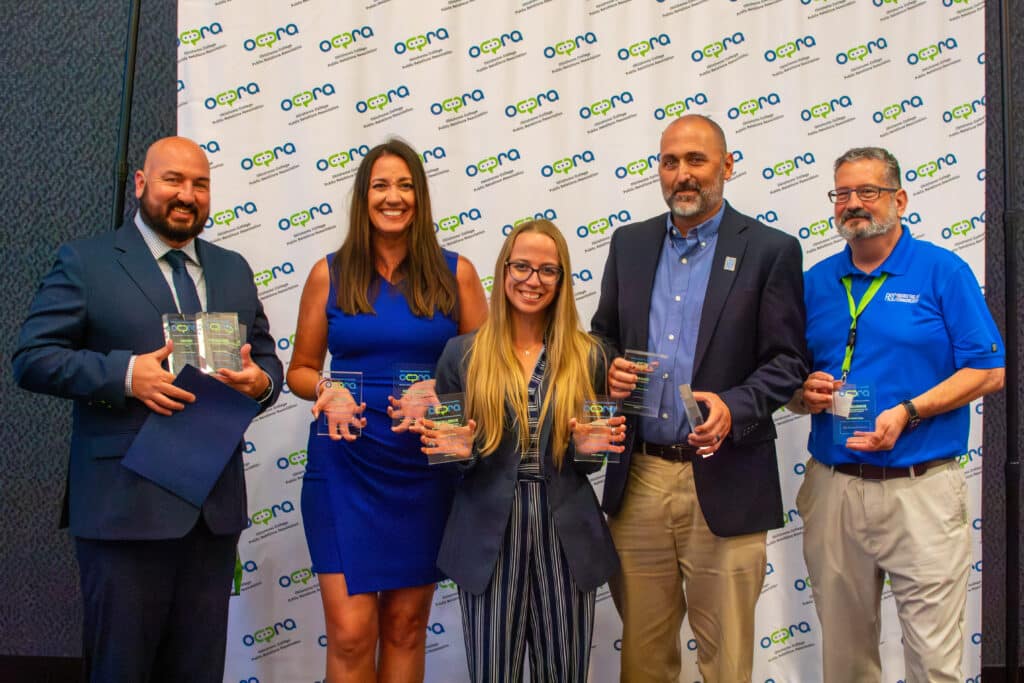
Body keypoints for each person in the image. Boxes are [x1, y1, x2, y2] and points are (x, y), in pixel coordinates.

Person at [12, 136, 283, 682]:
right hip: (123, 509)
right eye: (173, 180)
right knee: (122, 670)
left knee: (198, 671)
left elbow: (267, 361)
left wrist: (261, 384)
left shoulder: (232, 269)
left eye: (200, 184)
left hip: (211, 514)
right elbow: (32, 358)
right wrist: (125, 375)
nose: (187, 195)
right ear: (141, 183)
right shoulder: (87, 262)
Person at [591, 114, 808, 683]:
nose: (682, 174)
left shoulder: (770, 250)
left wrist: (734, 405)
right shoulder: (630, 244)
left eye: (696, 160)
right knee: (643, 661)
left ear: (727, 166)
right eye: (670, 162)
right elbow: (602, 336)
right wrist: (607, 368)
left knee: (726, 662)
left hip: (726, 476)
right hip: (639, 479)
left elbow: (788, 362)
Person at [788, 146, 1005, 683]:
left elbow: (988, 371)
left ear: (900, 200)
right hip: (835, 489)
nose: (853, 204)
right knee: (845, 661)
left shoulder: (942, 271)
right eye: (842, 193)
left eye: (868, 191)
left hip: (920, 489)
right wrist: (801, 393)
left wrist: (909, 411)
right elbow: (787, 380)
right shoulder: (814, 282)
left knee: (933, 662)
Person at [286, 138, 488, 682]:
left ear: (420, 197)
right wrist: (326, 387)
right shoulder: (329, 273)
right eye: (380, 185)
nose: (392, 197)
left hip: (424, 469)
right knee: (351, 634)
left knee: (404, 627)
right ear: (363, 196)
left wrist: (443, 394)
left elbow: (489, 373)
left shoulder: (457, 274)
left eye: (404, 185)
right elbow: (299, 368)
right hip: (342, 466)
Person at [418, 219, 623, 682]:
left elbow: (589, 462)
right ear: (504, 269)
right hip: (486, 535)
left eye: (548, 270)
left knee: (565, 672)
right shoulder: (461, 354)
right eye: (522, 267)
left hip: (566, 534)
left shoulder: (590, 355)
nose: (533, 280)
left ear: (562, 279)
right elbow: (453, 461)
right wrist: (455, 447)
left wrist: (591, 446)